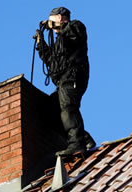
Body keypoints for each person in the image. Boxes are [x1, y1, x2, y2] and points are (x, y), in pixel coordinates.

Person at [35, 7, 96, 156]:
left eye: (52, 20)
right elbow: (51, 61)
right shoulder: (59, 42)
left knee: (68, 107)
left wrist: (55, 26)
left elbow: (72, 33)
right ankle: (84, 138)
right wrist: (41, 44)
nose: (49, 24)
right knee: (49, 112)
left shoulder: (76, 26)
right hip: (62, 81)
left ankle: (76, 144)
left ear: (60, 18)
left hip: (74, 76)